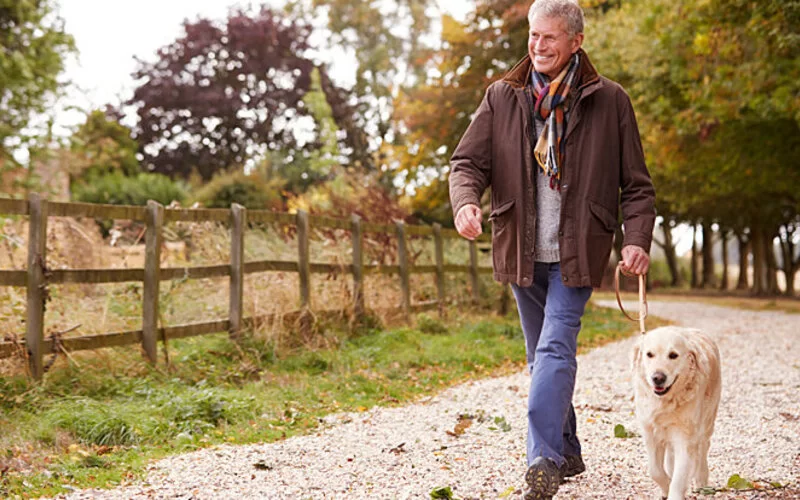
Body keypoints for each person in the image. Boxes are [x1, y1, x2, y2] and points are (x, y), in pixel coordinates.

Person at [448, 0, 656, 498]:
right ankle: (568, 450)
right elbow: (466, 163)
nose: (538, 46)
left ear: (576, 42)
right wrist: (466, 204)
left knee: (554, 349)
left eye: (550, 37)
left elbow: (638, 186)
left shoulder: (610, 100)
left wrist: (636, 240)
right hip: (520, 249)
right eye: (533, 36)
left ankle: (541, 459)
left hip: (577, 253)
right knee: (538, 358)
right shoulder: (504, 97)